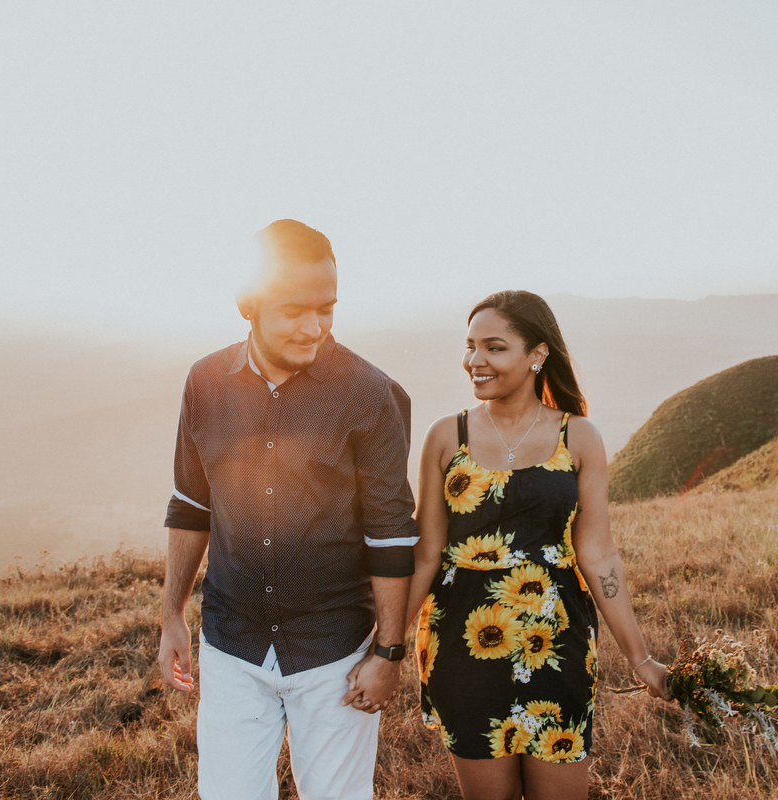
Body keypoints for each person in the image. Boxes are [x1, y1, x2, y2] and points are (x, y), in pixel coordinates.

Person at [157, 219, 417, 800]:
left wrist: (389, 652)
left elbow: (392, 535)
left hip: (335, 651)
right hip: (230, 643)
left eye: (327, 308)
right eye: (295, 310)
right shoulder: (204, 382)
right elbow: (191, 503)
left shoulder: (372, 395)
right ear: (249, 305)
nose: (315, 327)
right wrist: (172, 613)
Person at [406, 290, 668, 800]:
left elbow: (598, 554)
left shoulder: (579, 438)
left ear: (537, 355)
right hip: (462, 651)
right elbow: (425, 553)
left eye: (494, 347)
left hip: (557, 650)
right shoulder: (446, 437)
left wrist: (641, 659)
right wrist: (385, 647)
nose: (475, 361)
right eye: (470, 346)